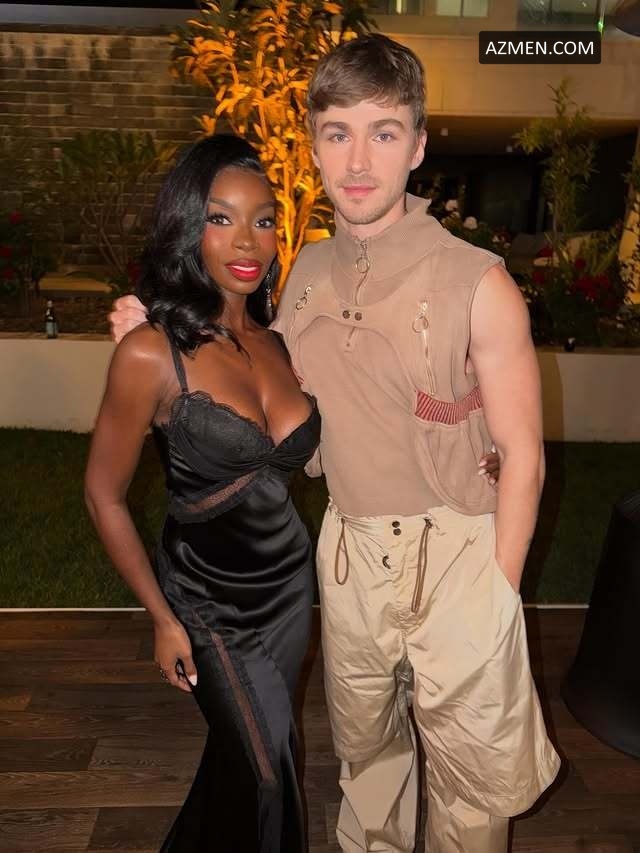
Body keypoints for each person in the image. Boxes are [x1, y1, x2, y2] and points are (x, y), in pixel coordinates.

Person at [110, 34, 557, 853]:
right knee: (369, 766)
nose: (357, 160)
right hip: (348, 555)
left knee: (468, 792)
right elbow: (250, 366)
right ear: (313, 145)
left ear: (417, 146)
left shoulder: (479, 280)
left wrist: (497, 591)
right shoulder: (305, 271)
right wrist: (156, 327)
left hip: (459, 555)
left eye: (384, 132)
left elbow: (524, 453)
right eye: (337, 132)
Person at [85, 134, 322, 853]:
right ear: (189, 225)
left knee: (248, 756)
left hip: (289, 589)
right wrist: (161, 617)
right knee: (270, 773)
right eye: (221, 218)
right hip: (206, 601)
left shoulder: (279, 343)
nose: (248, 240)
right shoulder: (151, 351)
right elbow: (103, 495)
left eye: (263, 219)